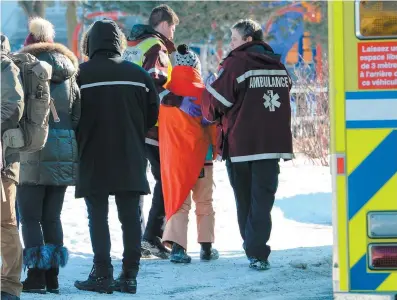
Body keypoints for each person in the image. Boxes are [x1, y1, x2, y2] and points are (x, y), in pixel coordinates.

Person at [74, 19, 159, 295]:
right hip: (130, 154)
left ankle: (102, 274)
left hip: (93, 154)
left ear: (90, 44)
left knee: (97, 216)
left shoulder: (79, 75)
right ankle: (130, 276)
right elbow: (152, 116)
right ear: (119, 43)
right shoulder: (138, 75)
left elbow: (72, 115)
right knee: (130, 217)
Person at [201, 19, 294, 271]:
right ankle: (258, 251)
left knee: (244, 199)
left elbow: (216, 102)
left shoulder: (236, 63)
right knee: (262, 200)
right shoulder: (278, 66)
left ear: (248, 40)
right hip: (273, 144)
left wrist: (206, 101)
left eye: (234, 39)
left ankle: (253, 250)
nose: (231, 44)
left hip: (241, 145)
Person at [124, 5, 200, 259]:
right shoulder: (156, 47)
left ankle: (137, 240)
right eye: (174, 28)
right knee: (165, 181)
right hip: (154, 126)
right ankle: (152, 236)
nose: (174, 33)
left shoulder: (131, 46)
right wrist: (178, 101)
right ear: (166, 24)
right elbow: (154, 82)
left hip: (130, 123)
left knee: (135, 183)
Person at [16, 17, 80, 293]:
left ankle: (36, 277)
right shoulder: (69, 72)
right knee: (52, 217)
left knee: (30, 217)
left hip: (31, 150)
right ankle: (53, 277)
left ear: (29, 43)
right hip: (64, 150)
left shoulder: (23, 69)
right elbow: (77, 115)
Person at [159, 44, 219, 263]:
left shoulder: (166, 94)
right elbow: (213, 125)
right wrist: (216, 147)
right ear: (196, 67)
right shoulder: (203, 93)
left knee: (179, 201)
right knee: (204, 202)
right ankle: (206, 247)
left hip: (175, 159)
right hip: (202, 158)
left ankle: (177, 249)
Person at [1, 33, 24, 300]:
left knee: (5, 223)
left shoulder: (5, 67)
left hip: (4, 158)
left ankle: (9, 286)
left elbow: (13, 107)